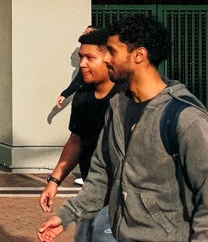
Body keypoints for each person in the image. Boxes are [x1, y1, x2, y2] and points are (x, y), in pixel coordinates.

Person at [40, 15, 208, 242]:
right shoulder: (117, 107)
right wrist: (68, 215)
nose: (106, 58)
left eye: (112, 51)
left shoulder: (185, 118)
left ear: (139, 55)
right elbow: (101, 175)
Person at [40, 29, 120, 212]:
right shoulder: (83, 96)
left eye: (90, 58)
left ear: (110, 59)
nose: (82, 64)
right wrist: (54, 182)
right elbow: (76, 142)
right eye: (80, 57)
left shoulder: (129, 97)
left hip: (127, 200)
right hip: (94, 195)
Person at [53, 26, 101, 112]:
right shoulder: (85, 60)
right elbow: (79, 79)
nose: (84, 35)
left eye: (87, 33)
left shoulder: (104, 56)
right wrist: (64, 95)